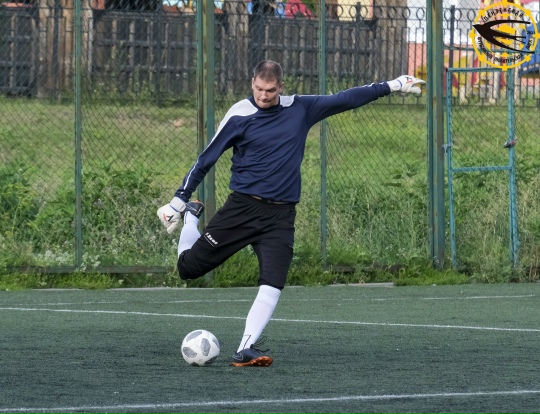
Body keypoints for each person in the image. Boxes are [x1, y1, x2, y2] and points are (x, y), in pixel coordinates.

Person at [158, 61, 425, 367]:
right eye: (259, 89)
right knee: (188, 269)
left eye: (270, 90)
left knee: (273, 281)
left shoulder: (300, 108)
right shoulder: (239, 114)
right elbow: (206, 159)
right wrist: (179, 200)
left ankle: (245, 348)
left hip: (281, 216)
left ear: (281, 87)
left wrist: (393, 85)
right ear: (252, 83)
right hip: (242, 209)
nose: (263, 95)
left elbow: (345, 99)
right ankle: (192, 216)